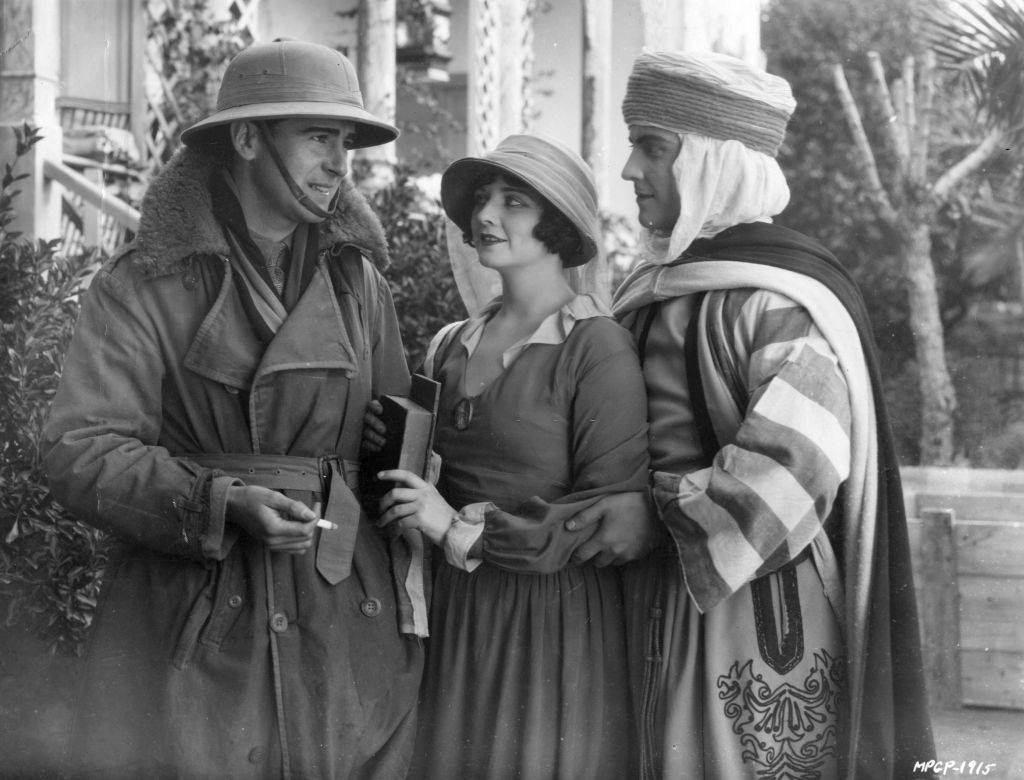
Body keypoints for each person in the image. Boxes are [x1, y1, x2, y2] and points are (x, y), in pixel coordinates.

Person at [42, 39, 423, 778]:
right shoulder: (144, 282)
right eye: (318, 138)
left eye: (344, 141)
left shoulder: (358, 283)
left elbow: (392, 438)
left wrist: (396, 446)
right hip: (192, 618)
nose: (341, 164)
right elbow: (78, 446)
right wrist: (217, 501)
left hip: (340, 615)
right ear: (247, 139)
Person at [566, 50, 934, 778]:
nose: (630, 170)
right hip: (647, 596)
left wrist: (656, 513)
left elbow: (798, 465)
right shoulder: (658, 285)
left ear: (713, 161)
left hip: (762, 612)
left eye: (652, 147)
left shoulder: (780, 300)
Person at [366, 134, 650, 778]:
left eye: (514, 201)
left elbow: (613, 524)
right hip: (452, 615)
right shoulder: (448, 345)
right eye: (483, 200)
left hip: (550, 628)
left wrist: (456, 528)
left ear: (558, 224)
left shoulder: (596, 349)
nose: (487, 216)